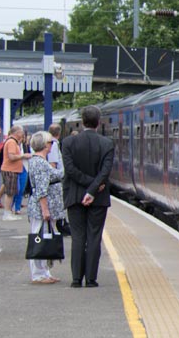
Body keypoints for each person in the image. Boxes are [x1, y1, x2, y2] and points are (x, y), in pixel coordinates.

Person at [62, 106, 114, 288]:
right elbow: (105, 172)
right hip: (98, 198)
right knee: (94, 237)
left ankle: (76, 278)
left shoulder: (68, 143)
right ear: (98, 122)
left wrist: (86, 188)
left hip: (75, 197)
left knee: (77, 237)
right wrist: (93, 189)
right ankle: (91, 279)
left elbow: (70, 170)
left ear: (82, 121)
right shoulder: (107, 144)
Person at [27, 131, 64, 284]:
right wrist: (45, 210)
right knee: (39, 238)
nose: (52, 145)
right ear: (45, 145)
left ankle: (45, 272)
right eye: (50, 143)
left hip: (43, 207)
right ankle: (38, 274)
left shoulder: (38, 161)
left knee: (45, 237)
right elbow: (42, 188)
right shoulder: (40, 163)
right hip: (41, 208)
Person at [0, 125, 31, 221]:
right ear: (17, 133)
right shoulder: (12, 142)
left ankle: (9, 211)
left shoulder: (12, 141)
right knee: (10, 192)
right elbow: (12, 157)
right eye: (21, 132)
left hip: (12, 170)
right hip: (10, 170)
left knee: (12, 191)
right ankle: (7, 212)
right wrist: (23, 156)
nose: (23, 134)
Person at [48, 123, 71, 236]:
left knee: (55, 210)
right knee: (54, 211)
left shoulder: (52, 144)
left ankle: (54, 231)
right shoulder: (53, 145)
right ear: (59, 133)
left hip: (55, 181)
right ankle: (51, 235)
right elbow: (52, 164)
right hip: (55, 182)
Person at [13, 131, 30, 214]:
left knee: (21, 189)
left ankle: (17, 207)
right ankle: (11, 206)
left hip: (24, 167)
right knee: (16, 188)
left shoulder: (26, 146)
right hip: (16, 168)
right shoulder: (14, 144)